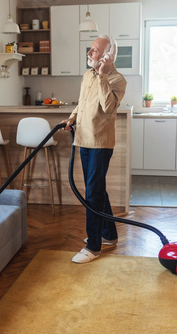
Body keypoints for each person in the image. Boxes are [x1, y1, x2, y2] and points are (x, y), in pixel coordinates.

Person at [60, 34, 127, 264]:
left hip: (100, 143)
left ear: (108, 55)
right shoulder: (87, 75)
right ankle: (109, 234)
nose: (89, 53)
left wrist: (103, 75)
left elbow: (108, 108)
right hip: (83, 139)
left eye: (95, 50)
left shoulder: (117, 79)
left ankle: (93, 246)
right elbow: (82, 102)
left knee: (92, 192)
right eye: (90, 49)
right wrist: (71, 119)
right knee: (98, 190)